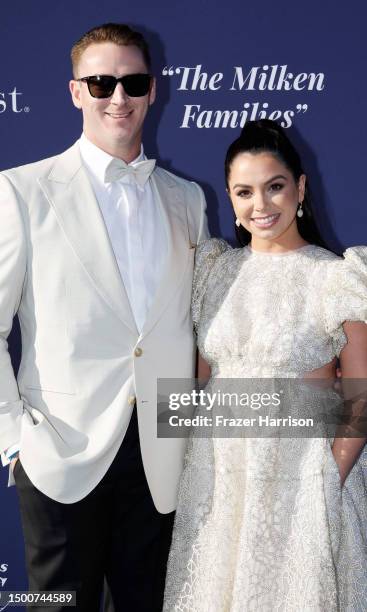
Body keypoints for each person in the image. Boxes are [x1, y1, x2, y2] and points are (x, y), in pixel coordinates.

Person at [0, 23, 209, 612]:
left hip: (162, 457)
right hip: (61, 452)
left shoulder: (187, 199)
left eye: (133, 82)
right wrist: (14, 441)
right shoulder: (20, 191)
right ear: (75, 91)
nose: (118, 97)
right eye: (101, 82)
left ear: (153, 91)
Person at [164, 119, 367, 611]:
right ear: (230, 201)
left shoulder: (341, 277)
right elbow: (200, 379)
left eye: (275, 187)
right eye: (244, 191)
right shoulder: (213, 271)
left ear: (300, 187)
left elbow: (365, 396)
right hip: (219, 479)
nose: (261, 205)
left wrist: (326, 475)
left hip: (303, 481)